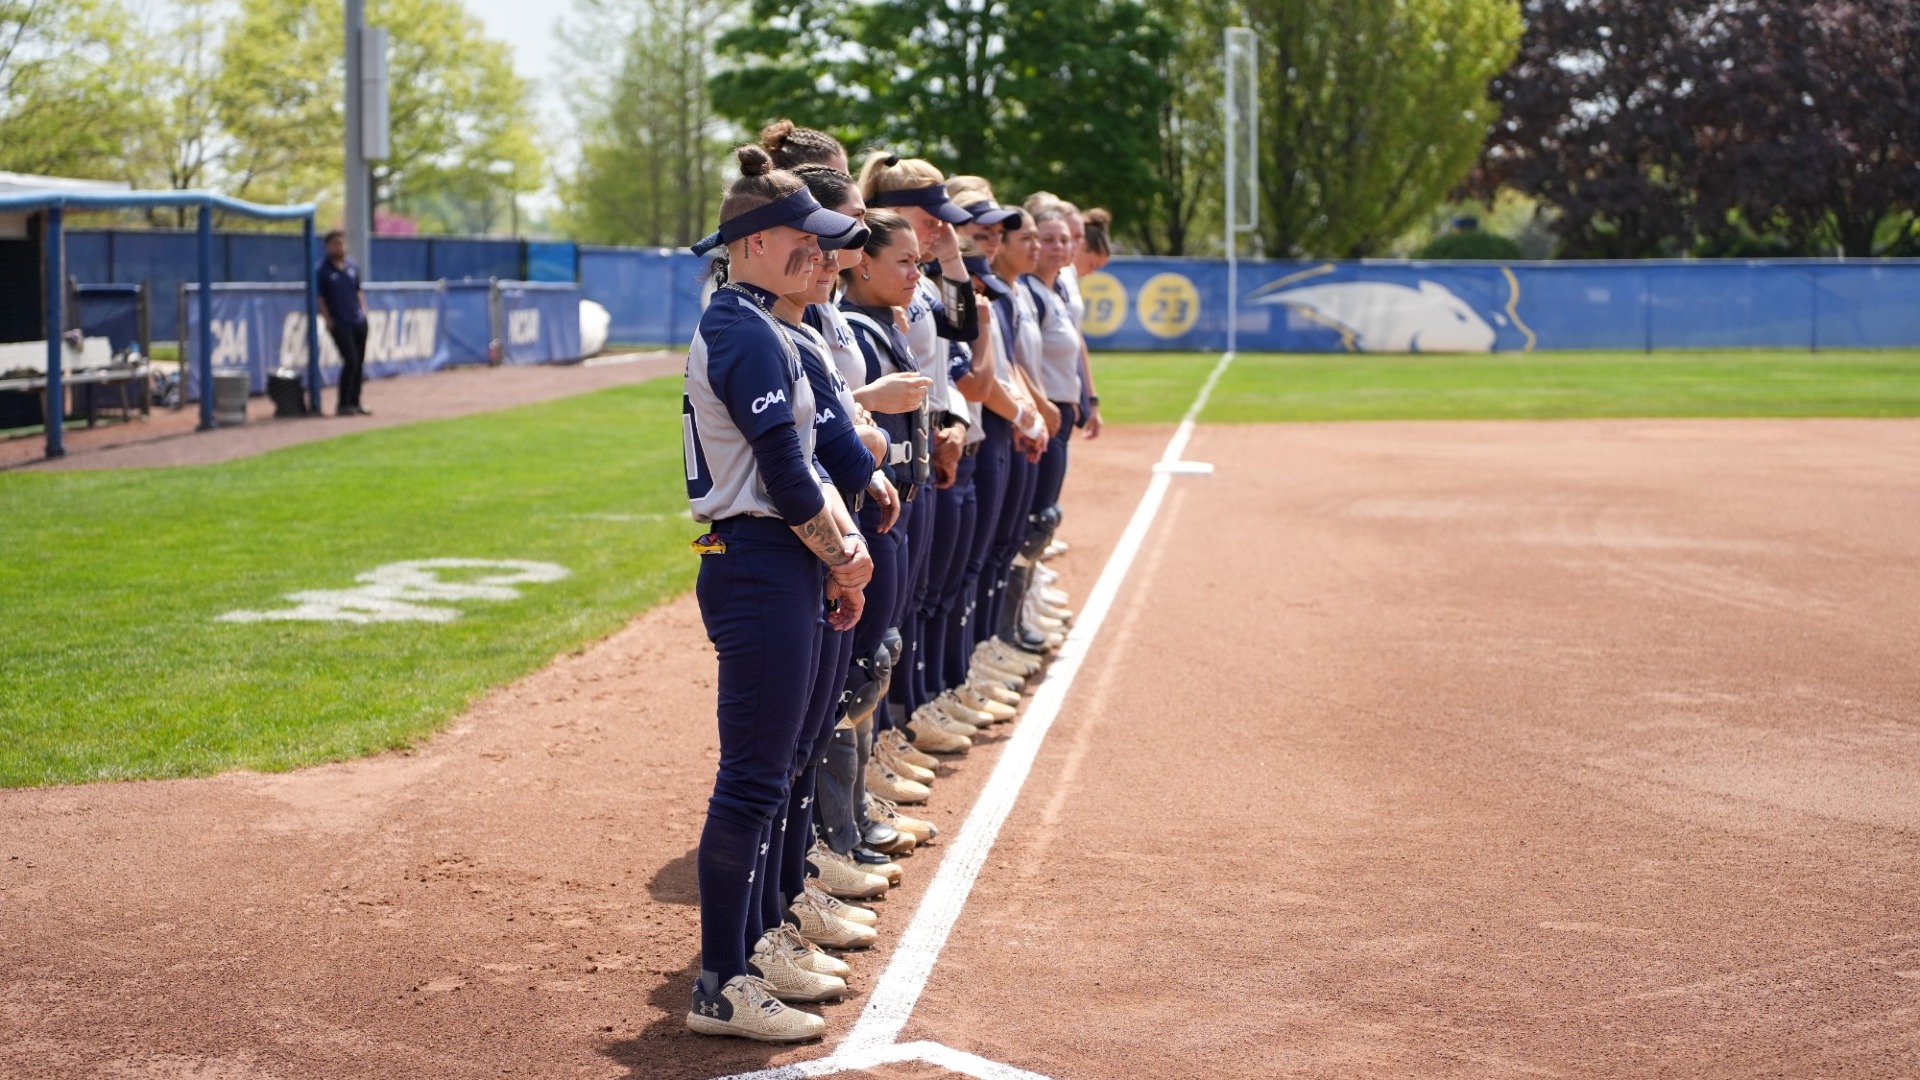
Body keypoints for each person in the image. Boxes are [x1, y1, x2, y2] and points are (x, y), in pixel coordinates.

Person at [681, 143, 875, 1043]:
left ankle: (756, 947)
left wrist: (833, 556)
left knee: (782, 763)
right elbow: (788, 478)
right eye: (805, 239)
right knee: (754, 777)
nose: (821, 255)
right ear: (754, 240)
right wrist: (843, 554)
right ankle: (720, 981)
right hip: (758, 562)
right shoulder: (741, 329)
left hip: (776, 563)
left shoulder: (762, 321)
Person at [315, 230, 370, 417]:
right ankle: (343, 403)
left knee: (359, 361)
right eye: (335, 244)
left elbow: (358, 291)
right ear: (327, 246)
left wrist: (363, 312)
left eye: (342, 243)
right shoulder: (322, 270)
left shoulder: (352, 266)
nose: (339, 247)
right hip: (339, 322)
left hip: (357, 321)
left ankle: (355, 401)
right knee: (351, 360)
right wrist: (328, 320)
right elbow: (320, 298)